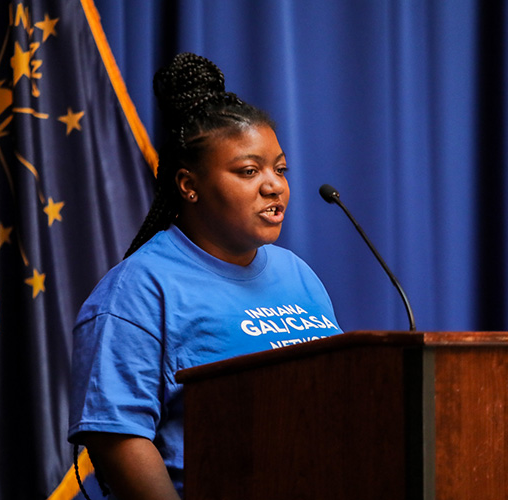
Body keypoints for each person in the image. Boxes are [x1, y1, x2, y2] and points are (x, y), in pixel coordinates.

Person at [67, 52, 342, 499]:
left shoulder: (298, 274)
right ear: (188, 185)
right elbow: (116, 438)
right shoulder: (138, 289)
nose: (274, 185)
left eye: (280, 169)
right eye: (249, 171)